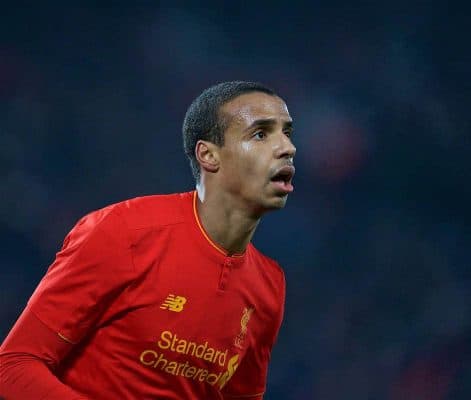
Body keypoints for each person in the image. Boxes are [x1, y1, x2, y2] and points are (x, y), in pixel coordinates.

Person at [0, 81, 296, 399]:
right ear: (209, 155)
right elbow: (13, 366)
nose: (287, 148)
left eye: (287, 133)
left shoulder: (269, 286)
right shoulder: (124, 233)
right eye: (261, 134)